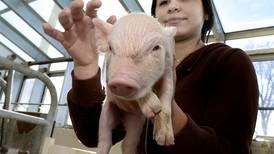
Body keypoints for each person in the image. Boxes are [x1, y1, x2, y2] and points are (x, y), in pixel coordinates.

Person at [43, 0, 259, 153]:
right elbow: (91, 135)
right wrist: (86, 67)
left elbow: (232, 149)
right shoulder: (127, 62)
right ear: (154, 18)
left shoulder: (229, 61)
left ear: (206, 12)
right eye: (163, 2)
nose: (173, 5)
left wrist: (166, 112)